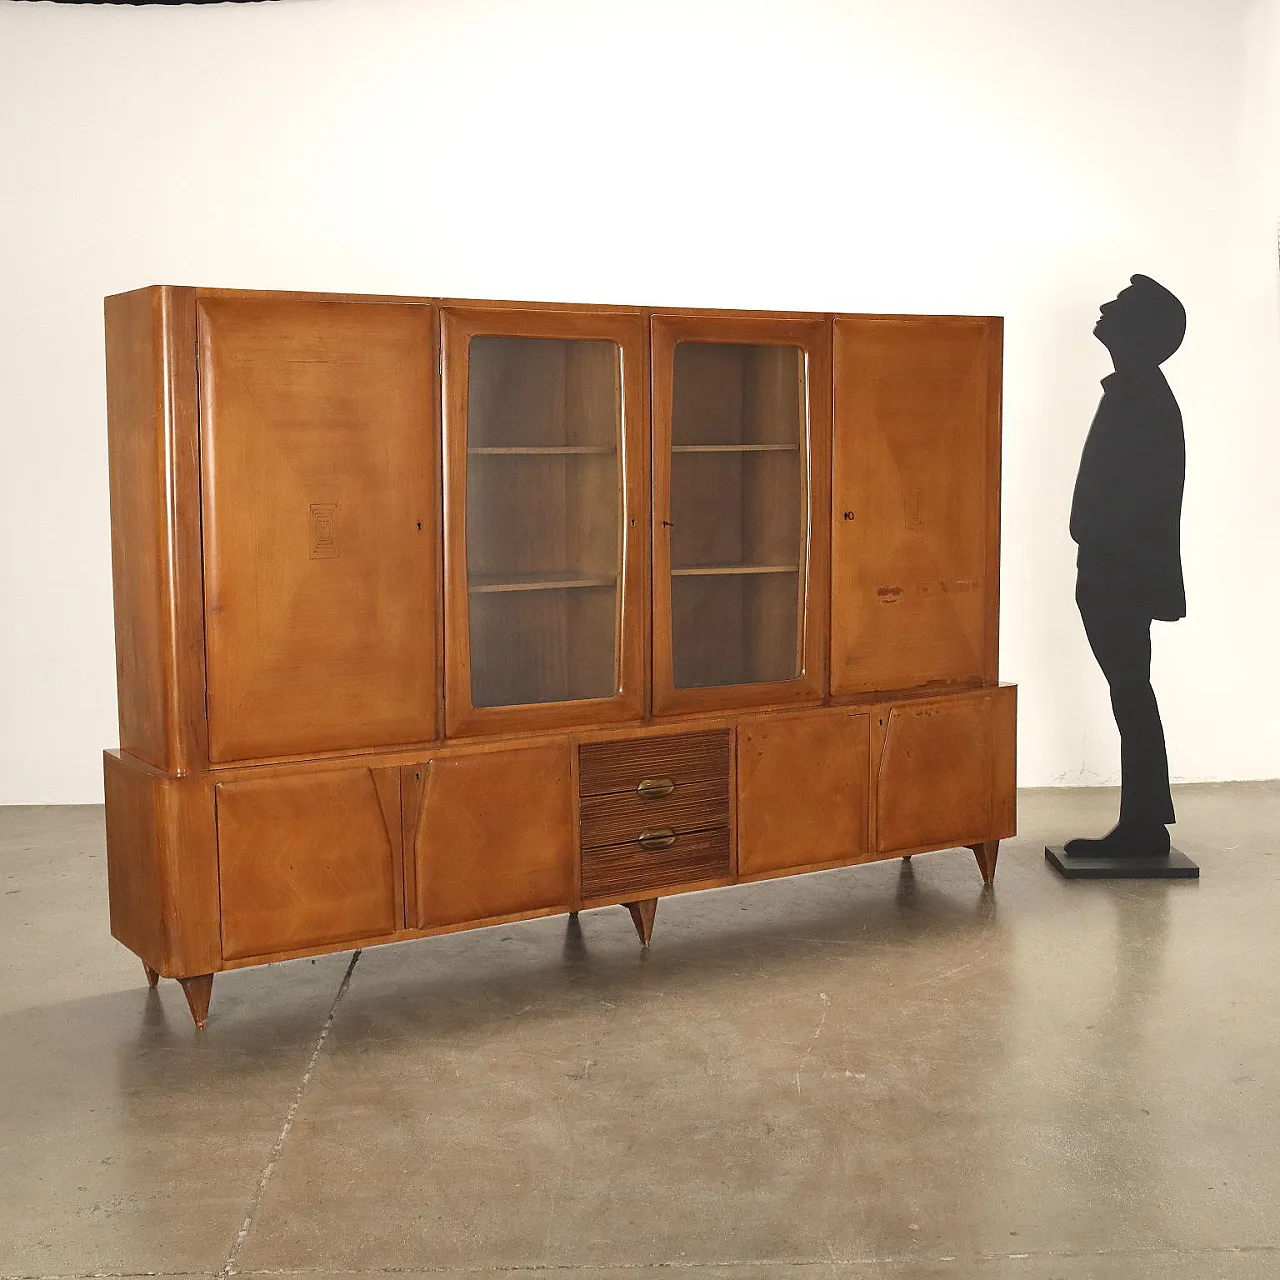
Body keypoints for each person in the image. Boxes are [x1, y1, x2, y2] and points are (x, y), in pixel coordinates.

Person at [1065, 274, 1186, 858]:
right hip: (1116, 567)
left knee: (1131, 692)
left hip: (1120, 572)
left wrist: (1098, 543)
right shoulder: (1136, 391)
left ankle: (1144, 824)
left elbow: (1144, 498)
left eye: (1118, 305)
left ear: (1138, 331)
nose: (1104, 307)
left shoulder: (1142, 397)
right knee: (1131, 691)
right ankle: (1145, 818)